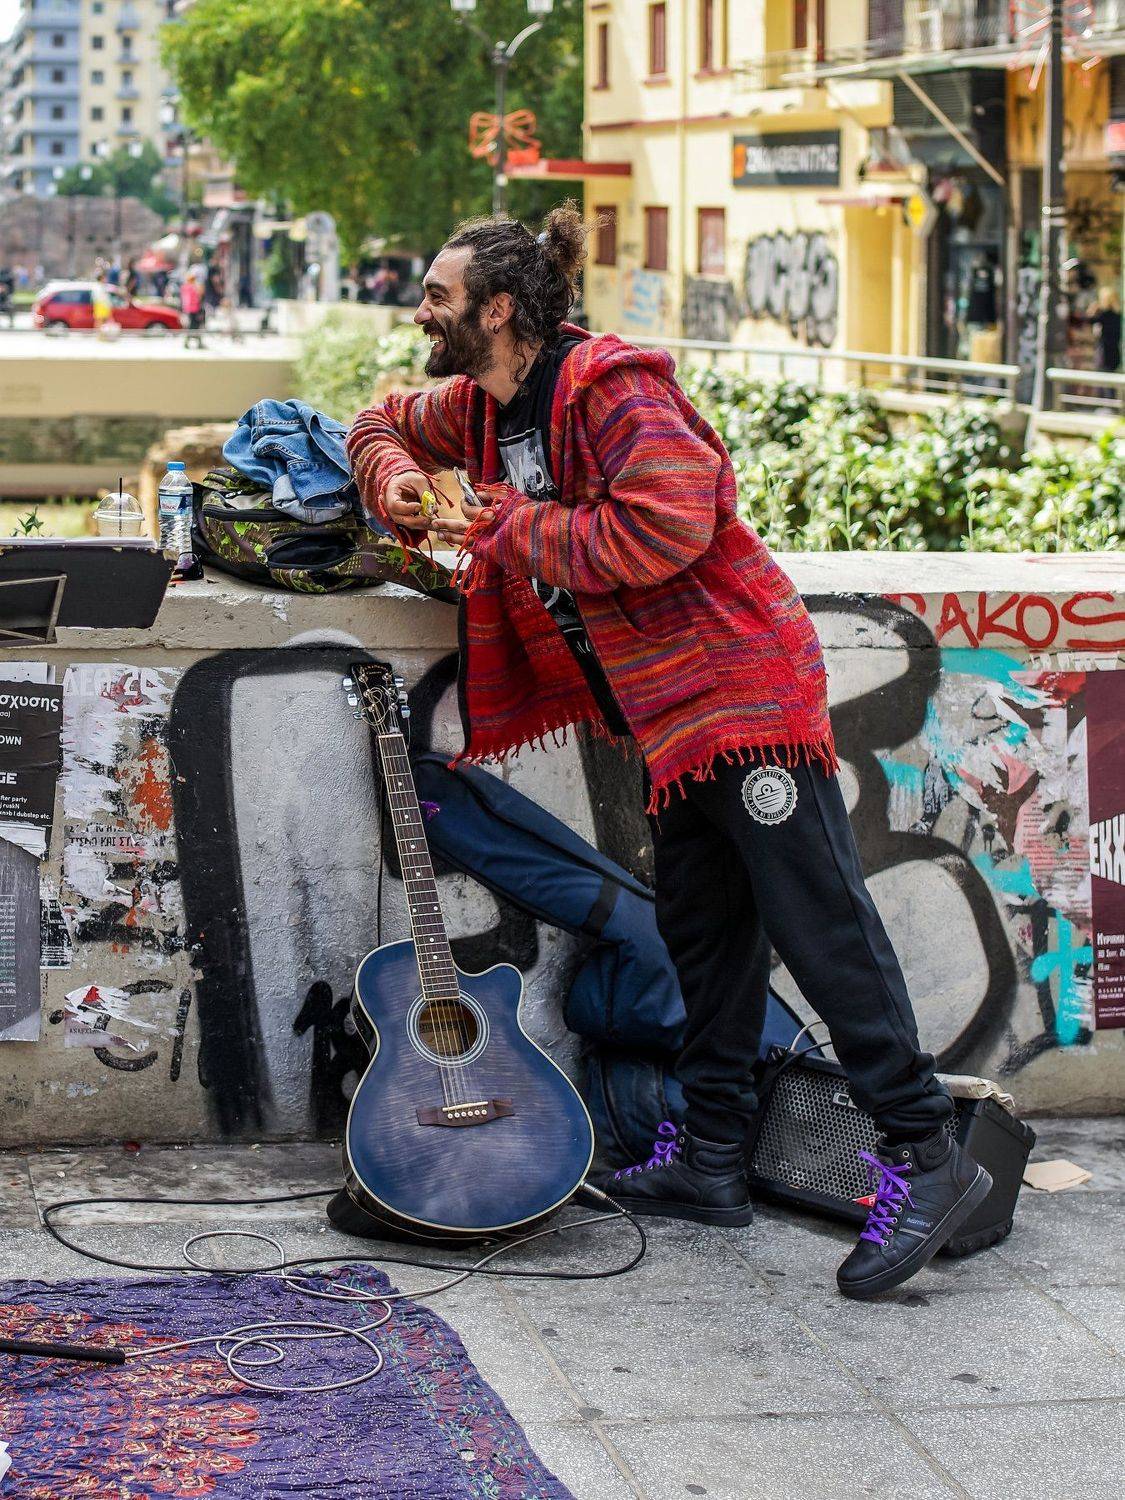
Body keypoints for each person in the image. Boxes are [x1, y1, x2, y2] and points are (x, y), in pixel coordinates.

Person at [347, 205, 992, 1302]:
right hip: (667, 720)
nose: (421, 311)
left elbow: (668, 525)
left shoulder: (607, 388)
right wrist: (394, 480)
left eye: (438, 296)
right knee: (708, 936)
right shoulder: (484, 405)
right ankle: (713, 1156)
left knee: (821, 925)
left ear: (496, 310)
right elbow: (375, 420)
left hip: (741, 693)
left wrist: (504, 527)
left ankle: (930, 1156)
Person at [180, 269, 205, 348]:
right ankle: (196, 342)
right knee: (195, 326)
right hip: (195, 310)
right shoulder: (193, 288)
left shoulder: (184, 287)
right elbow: (198, 298)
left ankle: (191, 342)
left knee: (190, 326)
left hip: (186, 309)